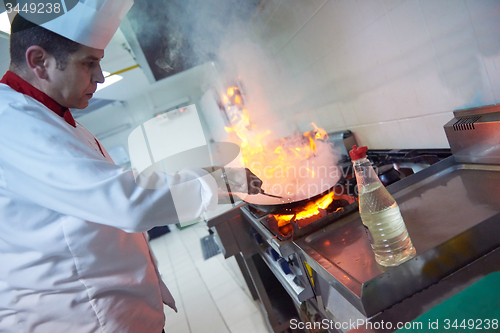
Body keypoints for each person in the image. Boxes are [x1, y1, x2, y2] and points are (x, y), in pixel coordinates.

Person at [0, 2, 261, 332]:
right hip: (83, 321)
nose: (99, 76)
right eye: (89, 63)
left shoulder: (54, 120)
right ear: (39, 61)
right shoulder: (11, 123)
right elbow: (127, 202)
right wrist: (222, 183)